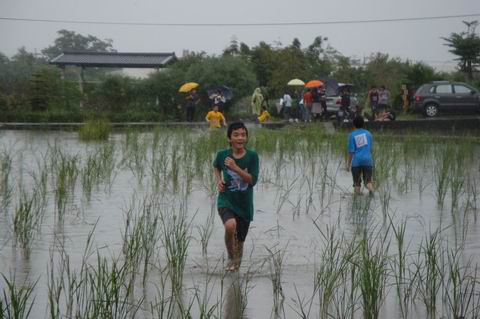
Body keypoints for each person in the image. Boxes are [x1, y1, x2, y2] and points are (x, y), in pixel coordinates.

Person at [213, 122, 259, 272]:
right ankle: (230, 256)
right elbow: (216, 166)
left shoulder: (252, 156)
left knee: (240, 242)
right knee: (230, 225)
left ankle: (235, 285)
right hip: (226, 200)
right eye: (236, 135)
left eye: (243, 135)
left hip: (244, 205)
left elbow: (252, 180)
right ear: (229, 138)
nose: (240, 138)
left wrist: (235, 168)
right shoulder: (222, 155)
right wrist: (218, 180)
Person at [347, 116, 374, 195]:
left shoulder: (352, 135)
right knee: (368, 181)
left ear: (353, 124)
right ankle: (371, 189)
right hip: (368, 161)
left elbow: (351, 152)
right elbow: (370, 149)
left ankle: (357, 199)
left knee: (357, 183)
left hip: (356, 162)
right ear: (363, 124)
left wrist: (348, 164)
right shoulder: (369, 134)